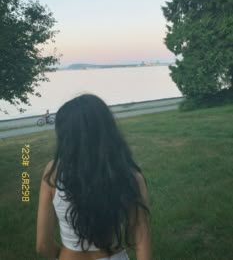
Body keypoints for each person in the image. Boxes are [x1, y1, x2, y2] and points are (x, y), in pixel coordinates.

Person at [36, 94, 152, 260]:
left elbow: (42, 245)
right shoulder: (130, 175)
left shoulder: (53, 172)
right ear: (108, 130)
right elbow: (142, 237)